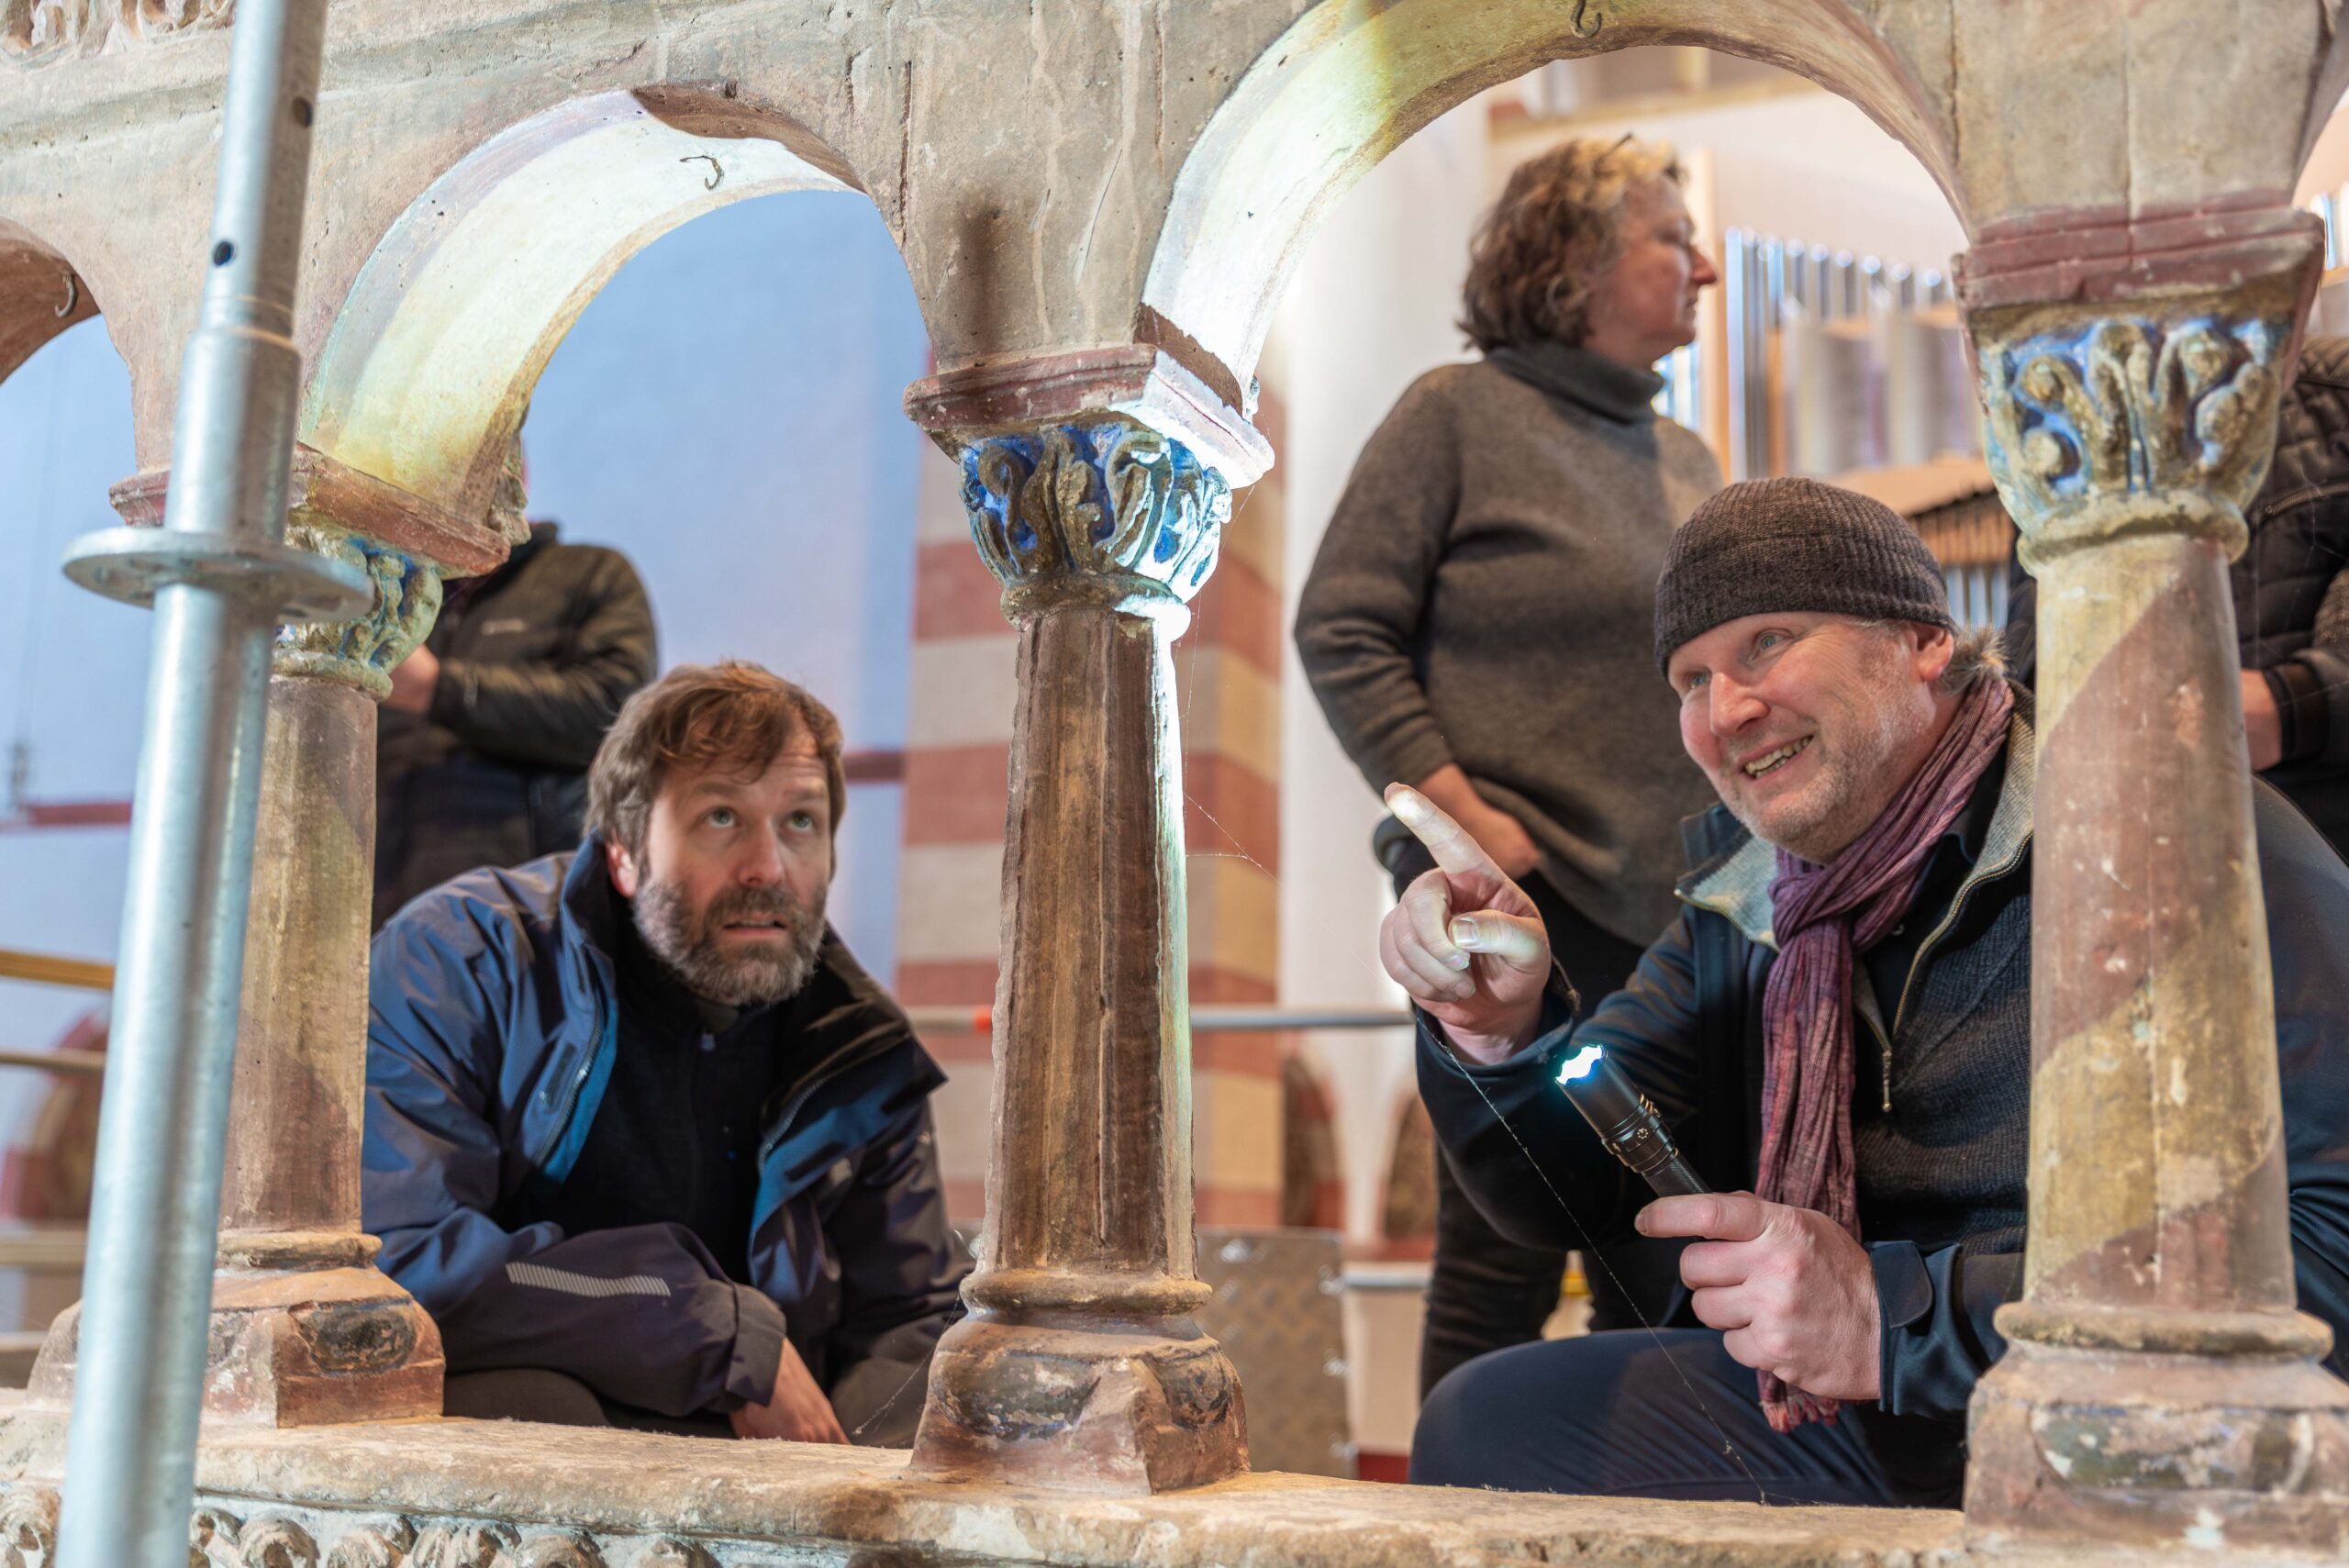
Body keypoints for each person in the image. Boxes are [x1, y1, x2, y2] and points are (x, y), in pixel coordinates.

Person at [1390, 477, 2349, 1505]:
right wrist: (1498, 1032)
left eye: (1768, 640)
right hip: (1846, 1415)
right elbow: (1572, 1188)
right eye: (1689, 678)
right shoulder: (1752, 901)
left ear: (1922, 639)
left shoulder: (2173, 831)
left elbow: (2326, 1250)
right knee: (1489, 1422)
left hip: (2117, 1422)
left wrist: (1896, 1318)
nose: (1727, 709)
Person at [1295, 135, 1723, 1391]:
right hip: (1513, 899)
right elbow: (1342, 623)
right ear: (1577, 258)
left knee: (1659, 1246)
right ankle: (1453, 1519)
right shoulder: (1458, 413)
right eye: (1669, 239)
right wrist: (1465, 818)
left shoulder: (1687, 459)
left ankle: (1625, 1513)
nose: (1702, 267)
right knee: (1501, 1254)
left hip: (1670, 913)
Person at [363, 662, 963, 1445]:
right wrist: (710, 1330)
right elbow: (398, 1261)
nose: (768, 868)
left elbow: (913, 1325)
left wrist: (833, 1509)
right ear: (622, 850)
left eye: (800, 822)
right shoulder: (461, 959)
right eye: (720, 817)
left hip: (757, 1477)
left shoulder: (856, 1044)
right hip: (538, 1461)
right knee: (534, 1402)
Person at [2005, 335, 2349, 860]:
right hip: (2112, 846)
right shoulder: (2056, 431)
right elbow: (2033, 651)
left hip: (2309, 855)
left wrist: (2287, 706)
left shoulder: (2336, 397)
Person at [373, 436, 658, 928]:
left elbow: (616, 717)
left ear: (514, 474)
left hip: (538, 923)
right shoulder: (390, 590)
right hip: (382, 919)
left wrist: (437, 688)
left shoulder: (591, 574)